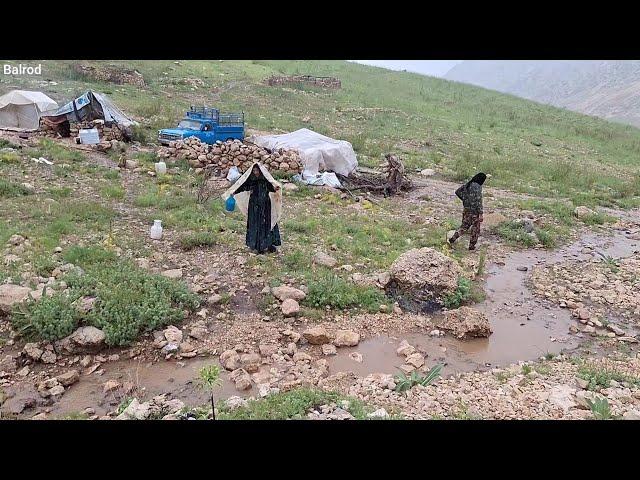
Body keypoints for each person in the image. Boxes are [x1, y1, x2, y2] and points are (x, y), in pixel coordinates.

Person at [232, 164, 282, 254]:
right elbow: (243, 186)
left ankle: (267, 245)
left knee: (266, 223)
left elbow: (272, 188)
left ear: (261, 171)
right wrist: (234, 191)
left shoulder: (266, 180)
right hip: (254, 205)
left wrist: (275, 188)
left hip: (265, 205)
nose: (256, 172)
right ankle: (255, 246)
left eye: (257, 170)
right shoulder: (251, 180)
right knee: (255, 223)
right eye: (254, 171)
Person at [448, 172, 487, 251]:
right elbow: (478, 200)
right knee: (475, 229)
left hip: (466, 210)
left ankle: (453, 238)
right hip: (474, 212)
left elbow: (457, 191)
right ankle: (471, 246)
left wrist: (465, 199)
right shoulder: (478, 187)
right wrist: (481, 213)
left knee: (464, 226)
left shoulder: (468, 184)